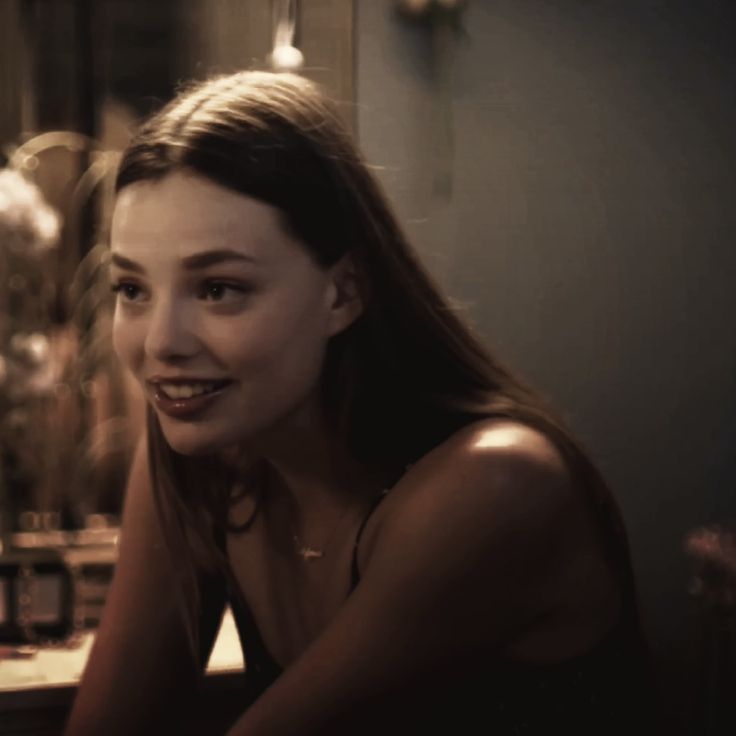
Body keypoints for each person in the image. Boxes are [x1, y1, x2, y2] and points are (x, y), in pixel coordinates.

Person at [64, 71, 652, 735]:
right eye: (133, 290)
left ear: (343, 294)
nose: (161, 345)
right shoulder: (197, 458)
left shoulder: (496, 485)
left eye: (219, 289)